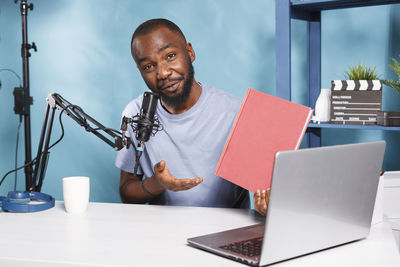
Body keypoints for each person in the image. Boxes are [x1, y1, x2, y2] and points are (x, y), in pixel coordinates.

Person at [115, 18, 269, 215]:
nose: (162, 73)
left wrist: (266, 204)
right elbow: (127, 194)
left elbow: (266, 189)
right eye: (148, 67)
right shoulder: (136, 114)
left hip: (224, 233)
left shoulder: (236, 112)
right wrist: (156, 183)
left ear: (190, 52)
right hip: (161, 233)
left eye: (170, 56)